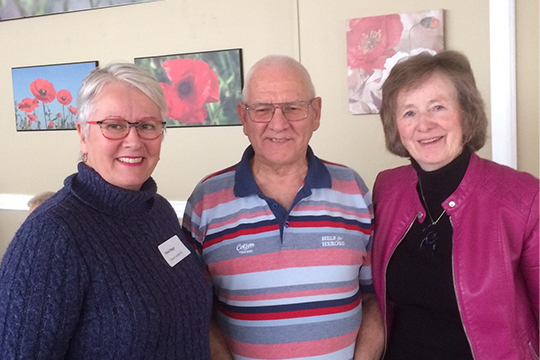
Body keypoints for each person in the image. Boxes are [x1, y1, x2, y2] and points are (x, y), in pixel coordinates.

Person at [0, 62, 213, 359]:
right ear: (83, 135)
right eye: (114, 125)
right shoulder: (52, 234)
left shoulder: (158, 212)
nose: (133, 140)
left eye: (147, 125)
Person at [182, 55, 384, 360]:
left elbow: (374, 301)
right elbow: (196, 311)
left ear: (316, 113)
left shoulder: (353, 189)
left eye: (293, 108)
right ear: (244, 117)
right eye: (262, 109)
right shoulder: (206, 201)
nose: (279, 124)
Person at [372, 50, 539, 359]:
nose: (424, 124)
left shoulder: (523, 198)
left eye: (438, 107)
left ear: (466, 113)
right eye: (409, 112)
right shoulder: (387, 189)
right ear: (395, 126)